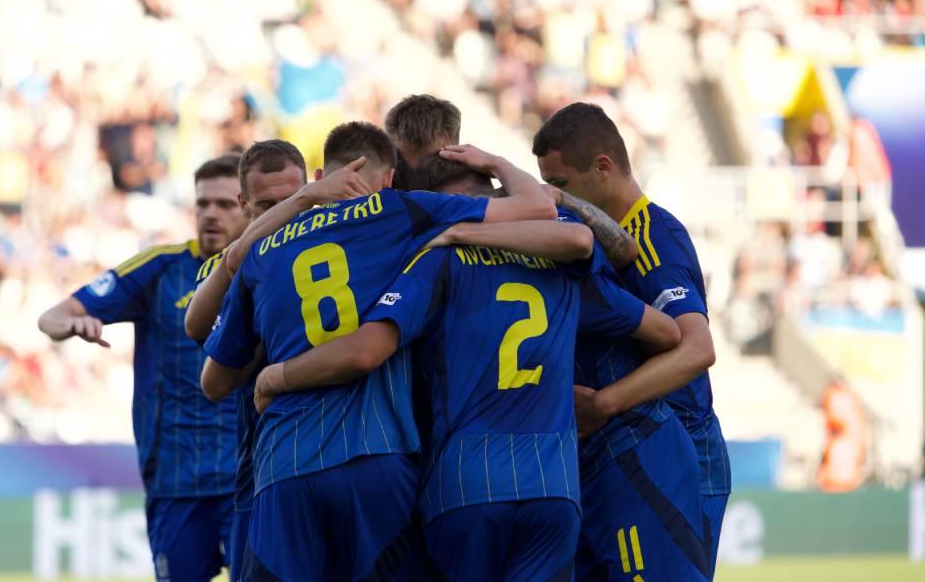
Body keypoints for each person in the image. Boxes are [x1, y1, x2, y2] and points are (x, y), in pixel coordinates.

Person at [202, 121, 556, 581]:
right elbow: (538, 207)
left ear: (321, 177)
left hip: (282, 465)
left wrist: (271, 368)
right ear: (389, 178)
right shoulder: (399, 212)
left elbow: (213, 381)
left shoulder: (263, 246)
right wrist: (495, 163)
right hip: (375, 455)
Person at [534, 102, 731, 576]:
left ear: (602, 168)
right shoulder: (611, 239)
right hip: (637, 450)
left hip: (683, 443)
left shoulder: (654, 238)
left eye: (561, 184)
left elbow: (697, 349)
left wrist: (605, 403)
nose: (555, 199)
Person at [37, 155, 247, 582]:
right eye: (203, 203)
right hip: (175, 481)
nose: (211, 214)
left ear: (248, 207)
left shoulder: (267, 263)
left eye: (225, 204)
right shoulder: (159, 268)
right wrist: (74, 324)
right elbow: (51, 318)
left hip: (247, 479)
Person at [187, 139, 374, 582]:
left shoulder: (351, 249)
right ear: (245, 206)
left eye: (295, 199)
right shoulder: (230, 269)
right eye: (269, 207)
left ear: (314, 188)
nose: (287, 215)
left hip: (359, 457)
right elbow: (210, 371)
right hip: (267, 469)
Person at [573, 243, 709, 581]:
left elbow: (690, 345)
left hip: (636, 446)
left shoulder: (650, 237)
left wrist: (604, 402)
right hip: (587, 461)